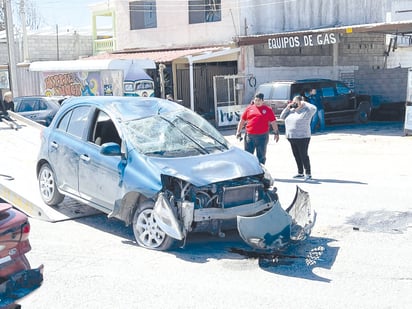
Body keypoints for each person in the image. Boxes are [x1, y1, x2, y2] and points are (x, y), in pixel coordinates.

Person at [236, 93, 279, 164]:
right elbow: (242, 120)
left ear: (263, 101)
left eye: (259, 100)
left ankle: (261, 172)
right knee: (248, 156)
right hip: (250, 136)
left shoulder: (267, 109)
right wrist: (238, 131)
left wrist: (276, 133)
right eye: (256, 100)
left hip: (262, 136)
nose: (257, 102)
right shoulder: (249, 108)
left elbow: (273, 122)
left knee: (261, 156)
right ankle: (250, 172)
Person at [280, 95, 316, 180]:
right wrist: (288, 107)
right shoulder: (291, 111)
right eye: (294, 102)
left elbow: (314, 108)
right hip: (291, 137)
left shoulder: (306, 111)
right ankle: (300, 172)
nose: (295, 104)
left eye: (297, 102)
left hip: (302, 137)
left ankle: (308, 173)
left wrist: (304, 102)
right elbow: (282, 117)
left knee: (303, 155)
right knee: (296, 155)